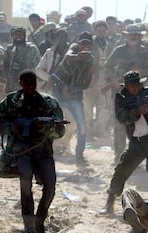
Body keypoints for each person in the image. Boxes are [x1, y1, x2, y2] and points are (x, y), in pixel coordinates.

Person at [0, 70, 66, 233]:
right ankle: (28, 223)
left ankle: (40, 222)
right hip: (22, 151)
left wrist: (44, 127)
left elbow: (60, 130)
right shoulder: (11, 101)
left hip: (43, 151)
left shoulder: (48, 103)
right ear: (20, 84)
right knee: (25, 183)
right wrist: (10, 127)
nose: (29, 87)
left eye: (32, 84)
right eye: (26, 84)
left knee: (50, 187)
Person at [99, 70, 148, 215]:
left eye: (137, 85)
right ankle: (109, 203)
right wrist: (137, 111)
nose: (135, 89)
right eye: (132, 87)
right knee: (121, 170)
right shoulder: (121, 98)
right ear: (126, 87)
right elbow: (122, 116)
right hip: (136, 142)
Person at [104, 24, 148, 163]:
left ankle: (137, 155)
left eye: (136, 35)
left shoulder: (146, 52)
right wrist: (113, 80)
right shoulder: (119, 51)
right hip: (120, 92)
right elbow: (107, 67)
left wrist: (143, 71)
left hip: (138, 93)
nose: (134, 37)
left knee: (139, 123)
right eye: (131, 35)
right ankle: (119, 155)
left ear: (140, 37)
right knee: (119, 123)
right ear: (126, 36)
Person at [52, 31, 95, 163]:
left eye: (88, 43)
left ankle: (79, 154)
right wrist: (78, 57)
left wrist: (75, 89)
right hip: (59, 92)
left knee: (81, 126)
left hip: (75, 96)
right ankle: (49, 149)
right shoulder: (74, 49)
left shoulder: (91, 60)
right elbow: (69, 56)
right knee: (53, 123)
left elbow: (87, 83)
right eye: (83, 43)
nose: (85, 46)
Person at [4, 26, 41, 93]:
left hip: (29, 81)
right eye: (16, 35)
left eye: (20, 34)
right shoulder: (9, 49)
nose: (18, 36)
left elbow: (38, 66)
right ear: (12, 36)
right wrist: (9, 77)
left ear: (24, 36)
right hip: (13, 84)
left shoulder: (31, 48)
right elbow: (5, 66)